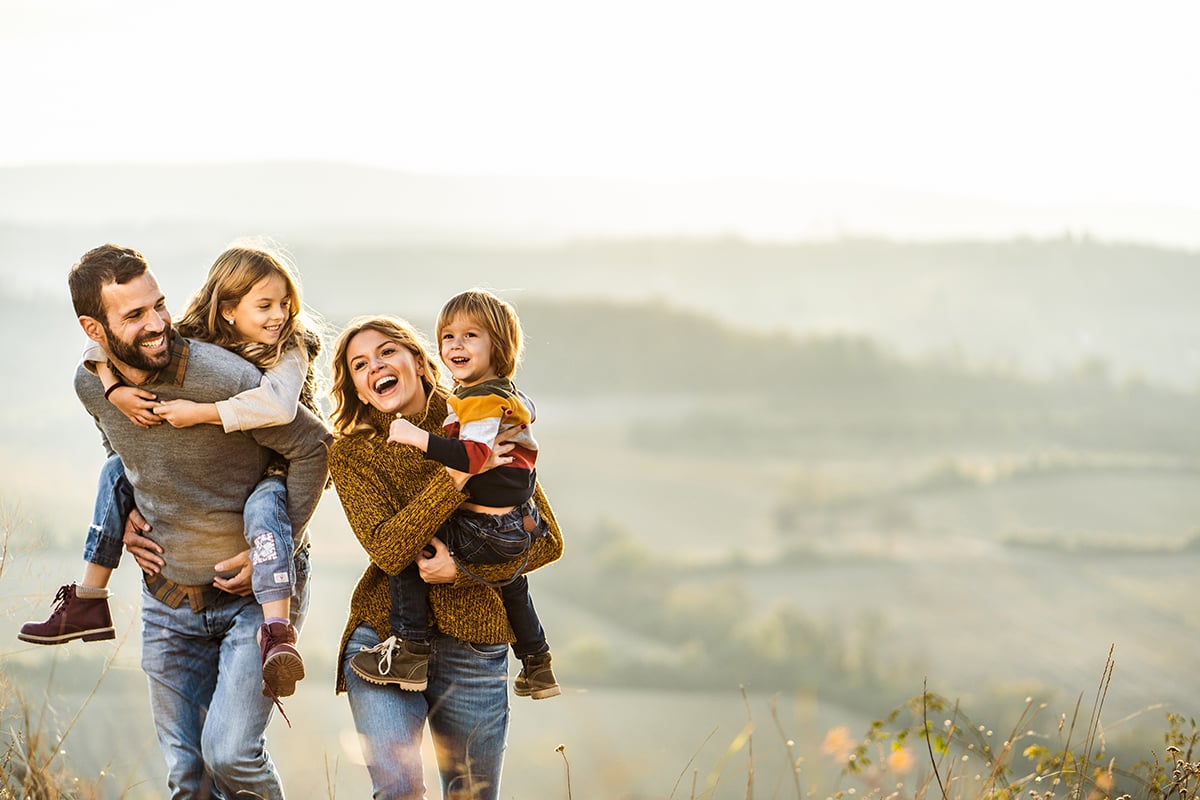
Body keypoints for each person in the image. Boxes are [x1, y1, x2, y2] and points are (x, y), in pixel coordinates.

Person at [57, 243, 328, 798]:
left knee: (231, 757)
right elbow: (121, 450)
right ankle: (86, 600)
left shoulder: (226, 376)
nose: (158, 323)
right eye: (134, 315)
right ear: (94, 327)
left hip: (254, 600)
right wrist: (129, 511)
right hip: (167, 601)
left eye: (159, 305)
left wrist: (273, 549)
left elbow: (313, 446)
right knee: (188, 777)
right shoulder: (93, 384)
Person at [327, 315, 564, 799]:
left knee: (471, 794)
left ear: (417, 359)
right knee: (398, 789)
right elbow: (390, 549)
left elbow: (546, 540)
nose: (375, 367)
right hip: (385, 641)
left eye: (387, 352)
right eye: (359, 364)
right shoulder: (352, 453)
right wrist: (456, 475)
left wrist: (462, 570)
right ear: (356, 386)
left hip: (476, 647)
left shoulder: (478, 413)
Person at [352, 289, 559, 700]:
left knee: (412, 545)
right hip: (514, 527)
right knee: (514, 585)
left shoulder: (481, 400)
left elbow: (475, 457)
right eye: (448, 336)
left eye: (470, 336)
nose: (456, 345)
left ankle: (410, 648)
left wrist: (419, 438)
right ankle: (537, 662)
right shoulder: (503, 395)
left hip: (485, 529)